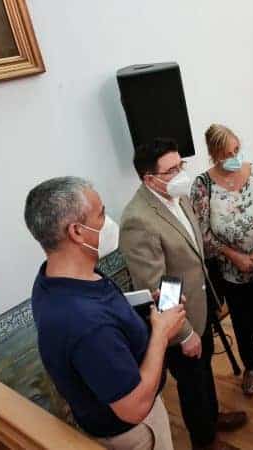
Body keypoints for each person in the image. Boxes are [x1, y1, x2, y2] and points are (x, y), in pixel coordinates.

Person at [25, 176, 186, 450]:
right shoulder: (85, 324)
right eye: (101, 214)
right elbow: (134, 407)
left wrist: (144, 308)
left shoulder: (55, 278)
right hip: (136, 430)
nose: (109, 221)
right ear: (77, 232)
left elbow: (104, 314)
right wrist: (161, 334)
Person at [119, 138, 247, 450]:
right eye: (171, 170)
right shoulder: (138, 220)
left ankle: (212, 417)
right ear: (149, 179)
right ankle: (204, 440)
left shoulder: (178, 195)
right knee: (192, 385)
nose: (180, 174)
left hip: (199, 305)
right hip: (178, 322)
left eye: (181, 165)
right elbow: (157, 286)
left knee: (204, 373)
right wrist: (184, 333)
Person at [191, 124, 253, 396]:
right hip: (231, 270)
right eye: (226, 154)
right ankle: (250, 366)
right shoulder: (202, 186)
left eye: (236, 150)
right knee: (241, 320)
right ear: (213, 155)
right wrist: (234, 255)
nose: (234, 157)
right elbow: (203, 232)